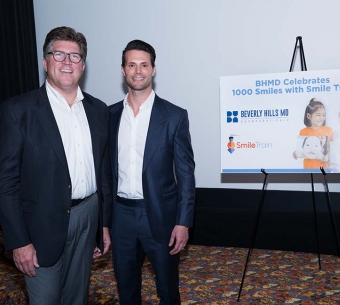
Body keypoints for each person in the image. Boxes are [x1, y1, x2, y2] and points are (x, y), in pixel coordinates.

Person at [0, 26, 111, 305]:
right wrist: (18, 241)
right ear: (45, 61)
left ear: (83, 66)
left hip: (88, 216)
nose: (66, 62)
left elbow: (104, 172)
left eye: (75, 57)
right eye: (58, 54)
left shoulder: (99, 110)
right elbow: (6, 182)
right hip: (40, 227)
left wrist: (103, 225)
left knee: (77, 298)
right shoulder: (18, 111)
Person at [106, 40, 195, 305]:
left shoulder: (175, 116)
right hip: (121, 215)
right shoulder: (109, 116)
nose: (138, 71)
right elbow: (106, 175)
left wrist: (183, 221)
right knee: (126, 290)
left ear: (153, 69)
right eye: (131, 64)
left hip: (161, 216)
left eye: (144, 65)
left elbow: (186, 173)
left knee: (168, 290)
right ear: (123, 70)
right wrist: (104, 223)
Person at [293, 98, 333, 168]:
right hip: (308, 170)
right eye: (318, 115)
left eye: (324, 115)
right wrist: (296, 154)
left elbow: (333, 150)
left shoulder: (329, 131)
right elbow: (301, 150)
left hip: (324, 170)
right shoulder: (303, 132)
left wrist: (328, 158)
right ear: (308, 116)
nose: (322, 118)